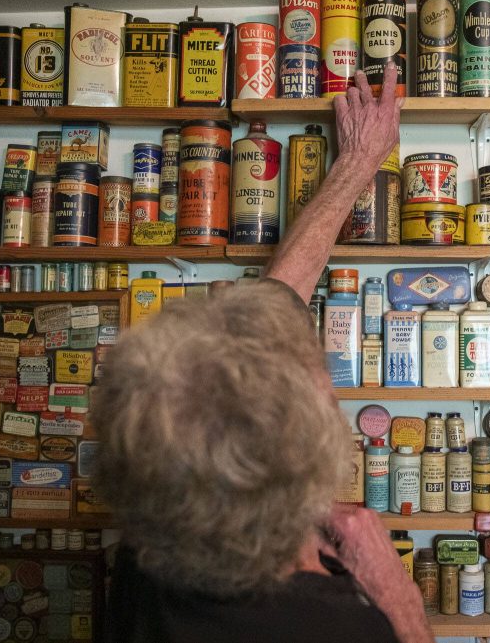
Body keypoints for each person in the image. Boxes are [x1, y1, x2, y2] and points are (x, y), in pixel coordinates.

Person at [95, 64, 433, 643]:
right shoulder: (343, 627)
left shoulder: (144, 564)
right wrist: (400, 604)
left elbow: (271, 312)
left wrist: (355, 166)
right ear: (314, 468)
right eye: (321, 393)